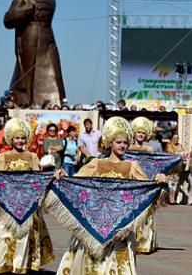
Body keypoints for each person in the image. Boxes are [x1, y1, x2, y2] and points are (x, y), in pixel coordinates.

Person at [54, 117, 167, 274]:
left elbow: (146, 189)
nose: (122, 145)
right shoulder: (96, 164)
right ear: (110, 142)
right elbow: (76, 182)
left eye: (125, 142)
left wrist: (158, 181)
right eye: (118, 142)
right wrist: (63, 175)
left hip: (121, 226)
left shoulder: (131, 166)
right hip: (95, 222)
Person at [0, 118, 54, 273]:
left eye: (23, 138)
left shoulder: (32, 157)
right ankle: (5, 264)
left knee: (25, 238)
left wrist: (52, 173)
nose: (20, 140)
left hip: (27, 206)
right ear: (11, 139)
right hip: (7, 205)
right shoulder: (3, 157)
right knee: (3, 236)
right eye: (17, 137)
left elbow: (39, 178)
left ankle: (21, 265)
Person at [3, 0, 66, 107]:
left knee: (55, 72)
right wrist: (24, 11)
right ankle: (26, 102)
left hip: (48, 39)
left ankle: (56, 103)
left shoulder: (51, 0)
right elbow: (7, 20)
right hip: (29, 37)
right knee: (27, 74)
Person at [128, 117, 158, 254]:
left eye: (143, 133)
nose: (140, 135)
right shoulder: (127, 148)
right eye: (138, 132)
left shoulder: (149, 148)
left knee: (146, 212)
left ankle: (145, 243)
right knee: (133, 212)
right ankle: (133, 241)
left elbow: (154, 165)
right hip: (131, 182)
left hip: (146, 181)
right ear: (134, 133)